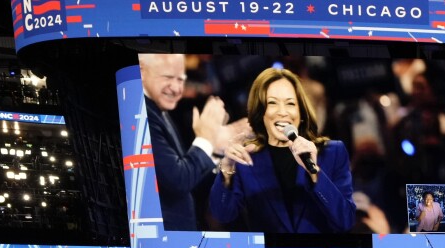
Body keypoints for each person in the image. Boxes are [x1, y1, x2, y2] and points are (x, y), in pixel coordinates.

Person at [210, 67, 357, 234]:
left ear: (301, 112)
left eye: (290, 103)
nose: (282, 112)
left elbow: (346, 220)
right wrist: (227, 167)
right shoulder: (245, 160)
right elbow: (222, 215)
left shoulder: (333, 152)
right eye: (272, 103)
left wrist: (314, 173)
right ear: (261, 112)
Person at [140, 53, 231, 232]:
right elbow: (178, 180)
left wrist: (215, 147)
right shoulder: (144, 115)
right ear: (142, 71)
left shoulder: (160, 108)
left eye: (180, 80)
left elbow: (188, 178)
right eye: (167, 78)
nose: (176, 88)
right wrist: (206, 139)